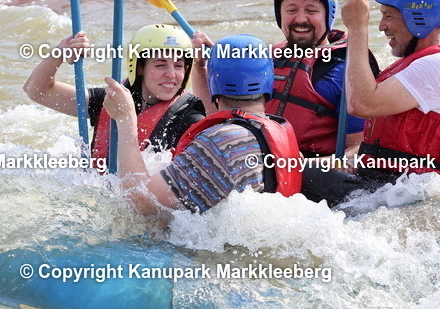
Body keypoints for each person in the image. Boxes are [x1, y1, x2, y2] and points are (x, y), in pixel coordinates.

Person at [302, 0, 440, 205]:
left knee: (302, 176)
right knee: (305, 169)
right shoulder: (424, 62)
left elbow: (362, 103)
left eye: (388, 16)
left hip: (414, 193)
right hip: (393, 183)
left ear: (418, 17)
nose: (381, 26)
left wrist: (358, 28)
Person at [101, 34, 302, 216]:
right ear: (269, 81)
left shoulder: (220, 143)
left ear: (216, 83)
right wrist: (200, 69)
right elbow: (220, 121)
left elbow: (141, 203)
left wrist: (125, 119)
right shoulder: (274, 128)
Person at [23, 24, 205, 170]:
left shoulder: (190, 118)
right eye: (160, 65)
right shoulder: (111, 100)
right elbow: (37, 90)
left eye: (179, 65)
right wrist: (61, 51)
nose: (172, 75)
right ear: (140, 67)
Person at [264, 0, 379, 157]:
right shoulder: (264, 61)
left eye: (311, 11)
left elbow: (358, 151)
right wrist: (205, 70)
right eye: (291, 10)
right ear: (280, 14)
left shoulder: (346, 73)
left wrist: (298, 166)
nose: (301, 19)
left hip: (314, 174)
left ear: (329, 14)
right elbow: (220, 115)